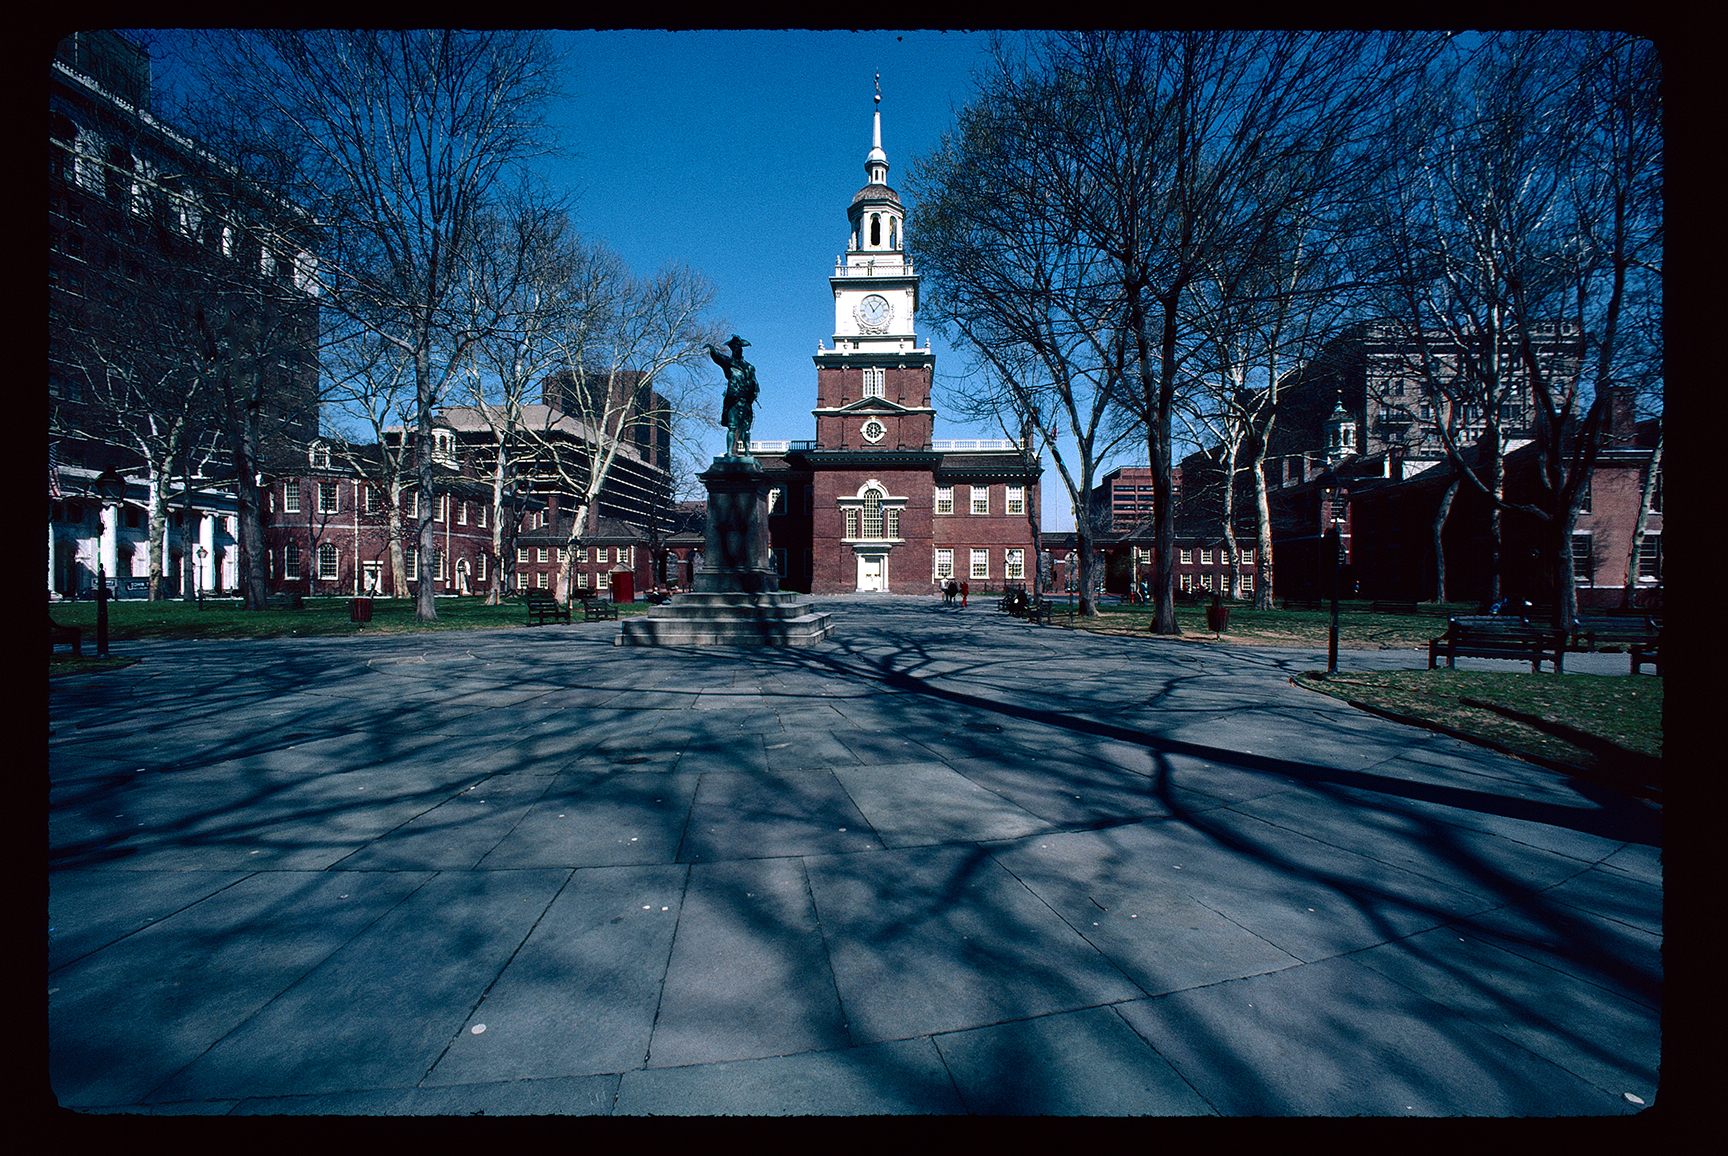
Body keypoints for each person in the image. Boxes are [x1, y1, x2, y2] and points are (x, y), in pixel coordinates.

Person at [706, 335, 760, 457]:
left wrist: (753, 394)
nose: (736, 349)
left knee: (746, 428)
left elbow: (755, 383)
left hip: (745, 401)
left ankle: (747, 452)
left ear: (741, 349)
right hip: (733, 400)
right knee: (731, 427)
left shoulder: (749, 367)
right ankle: (730, 452)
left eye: (738, 347)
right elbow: (718, 358)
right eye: (733, 347)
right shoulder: (728, 363)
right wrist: (712, 349)